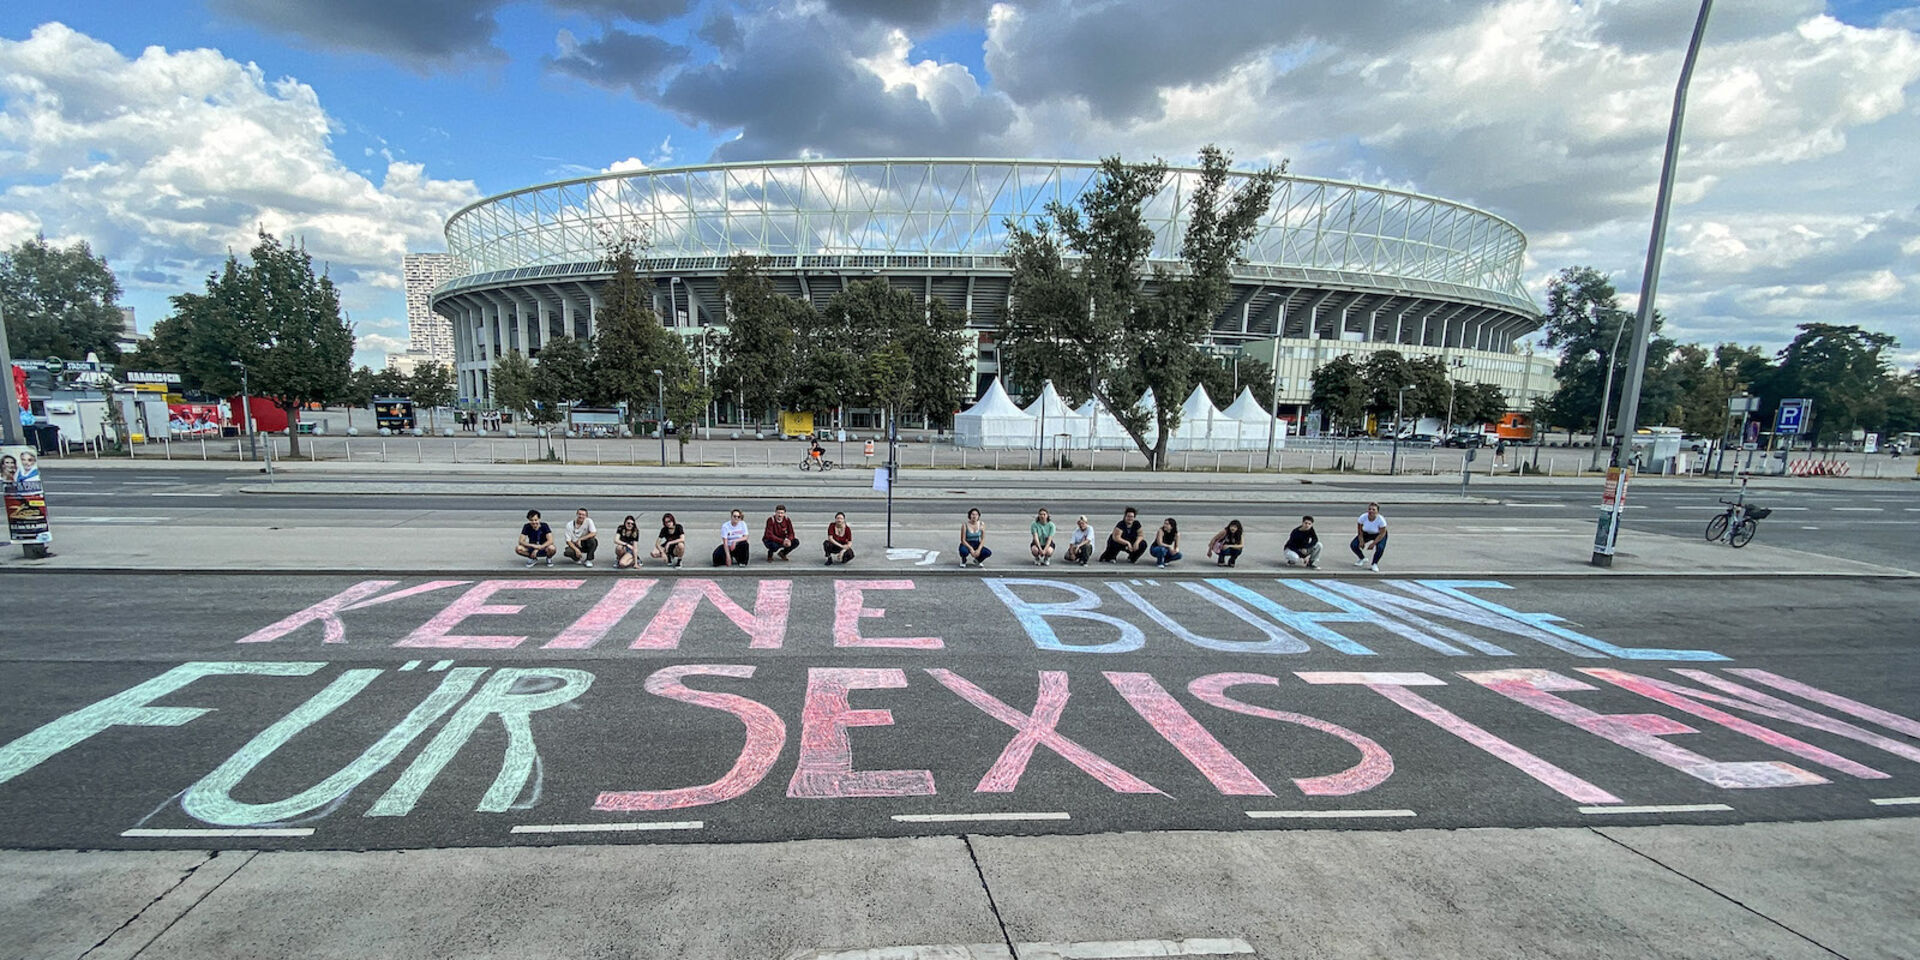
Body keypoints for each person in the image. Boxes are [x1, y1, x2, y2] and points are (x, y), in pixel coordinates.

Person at [1351, 502, 1388, 572]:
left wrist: (1373, 544)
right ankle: (1362, 558)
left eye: (1373, 510)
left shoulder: (1381, 520)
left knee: (1380, 548)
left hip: (1378, 534)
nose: (1371, 511)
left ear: (1377, 512)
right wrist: (1361, 541)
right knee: (1354, 545)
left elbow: (1382, 534)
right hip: (1366, 533)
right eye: (1369, 509)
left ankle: (1374, 564)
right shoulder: (1363, 517)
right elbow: (1360, 531)